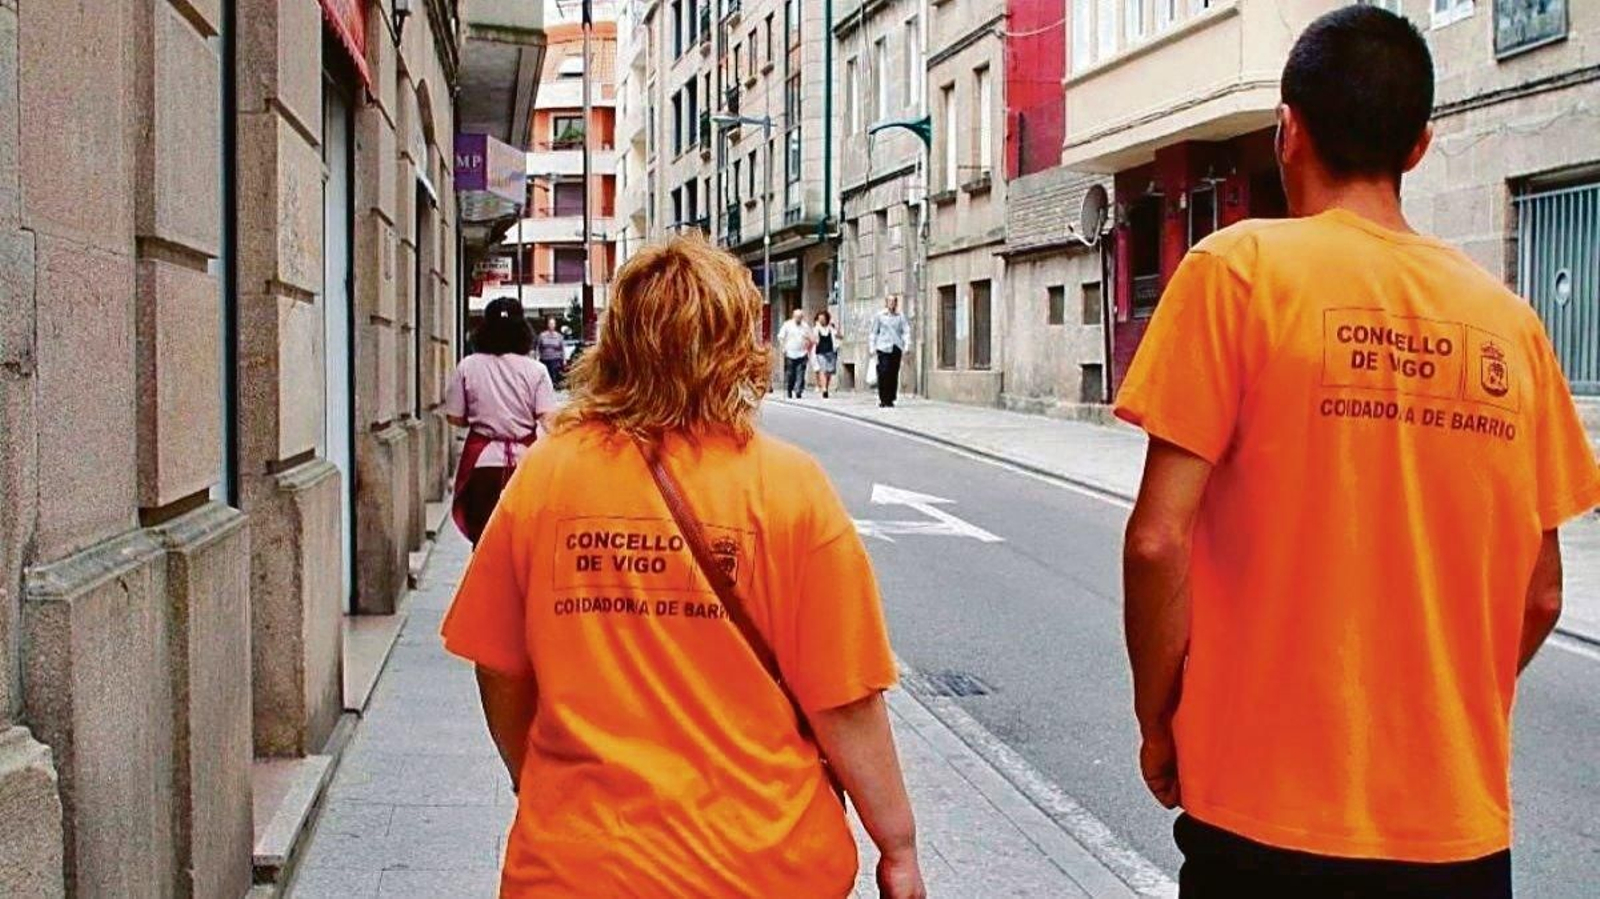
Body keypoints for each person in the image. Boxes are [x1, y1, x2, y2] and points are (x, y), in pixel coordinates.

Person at [1116, 8, 1600, 898]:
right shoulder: (1513, 327)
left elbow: (1156, 541)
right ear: (1419, 146)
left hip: (1260, 817)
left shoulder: (1236, 273)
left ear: (1287, 130)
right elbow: (1542, 592)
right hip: (1454, 832)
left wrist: (1160, 717)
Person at [439, 234, 926, 899]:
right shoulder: (789, 487)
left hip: (580, 865)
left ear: (616, 344)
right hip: (762, 861)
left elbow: (498, 663)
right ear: (736, 344)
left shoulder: (549, 473)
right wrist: (895, 844)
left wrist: (541, 778)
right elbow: (844, 698)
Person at [443, 298, 558, 545]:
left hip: (482, 464)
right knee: (524, 540)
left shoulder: (468, 366)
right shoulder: (536, 370)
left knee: (484, 540)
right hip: (525, 464)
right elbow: (549, 420)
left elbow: (454, 416)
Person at [870, 295, 910, 408]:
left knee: (893, 373)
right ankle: (883, 398)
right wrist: (872, 347)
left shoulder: (900, 316)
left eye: (894, 302)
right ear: (886, 303)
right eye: (889, 302)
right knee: (883, 372)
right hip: (883, 347)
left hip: (896, 346)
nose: (892, 304)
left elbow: (906, 331)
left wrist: (906, 346)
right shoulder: (880, 316)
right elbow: (874, 332)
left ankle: (891, 398)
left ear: (896, 303)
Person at [777, 306, 814, 399]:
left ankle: (798, 391)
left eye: (800, 317)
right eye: (797, 317)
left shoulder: (805, 326)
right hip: (790, 353)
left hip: (802, 353)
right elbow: (781, 337)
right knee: (791, 373)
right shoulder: (787, 325)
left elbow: (811, 337)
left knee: (801, 372)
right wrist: (783, 348)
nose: (799, 319)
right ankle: (789, 389)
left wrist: (809, 342)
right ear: (793, 316)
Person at [812, 309, 840, 399]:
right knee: (823, 370)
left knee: (829, 372)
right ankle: (824, 389)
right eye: (820, 319)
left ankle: (826, 387)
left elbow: (840, 336)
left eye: (823, 319)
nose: (821, 320)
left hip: (831, 351)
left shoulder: (831, 329)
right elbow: (813, 338)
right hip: (820, 352)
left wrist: (835, 328)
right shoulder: (816, 329)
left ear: (826, 319)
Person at [536, 316, 567, 389]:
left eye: (553, 324)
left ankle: (553, 386)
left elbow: (562, 348)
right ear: (548, 325)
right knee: (545, 374)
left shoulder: (559, 336)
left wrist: (564, 359)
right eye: (550, 324)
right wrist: (537, 357)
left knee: (553, 373)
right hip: (544, 358)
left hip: (555, 358)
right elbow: (538, 347)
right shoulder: (542, 335)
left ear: (555, 325)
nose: (552, 325)